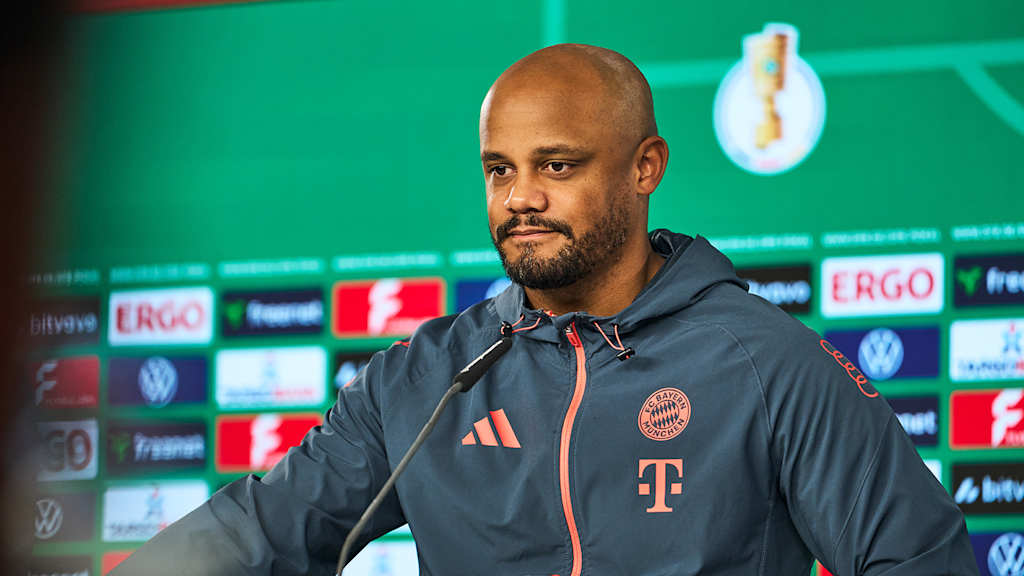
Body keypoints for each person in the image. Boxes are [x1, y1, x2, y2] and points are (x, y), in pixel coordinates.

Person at [112, 44, 978, 576]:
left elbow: (919, 558)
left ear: (645, 167)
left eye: (556, 166)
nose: (520, 197)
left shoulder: (765, 360)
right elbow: (260, 534)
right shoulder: (425, 378)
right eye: (500, 170)